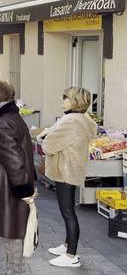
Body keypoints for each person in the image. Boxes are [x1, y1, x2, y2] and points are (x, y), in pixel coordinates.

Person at [38, 87, 96, 268]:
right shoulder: (81, 120)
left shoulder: (71, 121)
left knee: (68, 212)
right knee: (68, 210)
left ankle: (71, 255)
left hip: (65, 170)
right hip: (71, 168)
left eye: (66, 97)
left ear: (75, 101)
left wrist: (44, 137)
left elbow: (49, 145)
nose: (62, 99)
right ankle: (67, 246)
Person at [0, 80, 36, 275]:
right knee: (13, 234)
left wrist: (24, 191)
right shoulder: (11, 116)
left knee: (13, 234)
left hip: (11, 186)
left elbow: (14, 160)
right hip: (16, 183)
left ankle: (13, 272)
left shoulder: (3, 121)